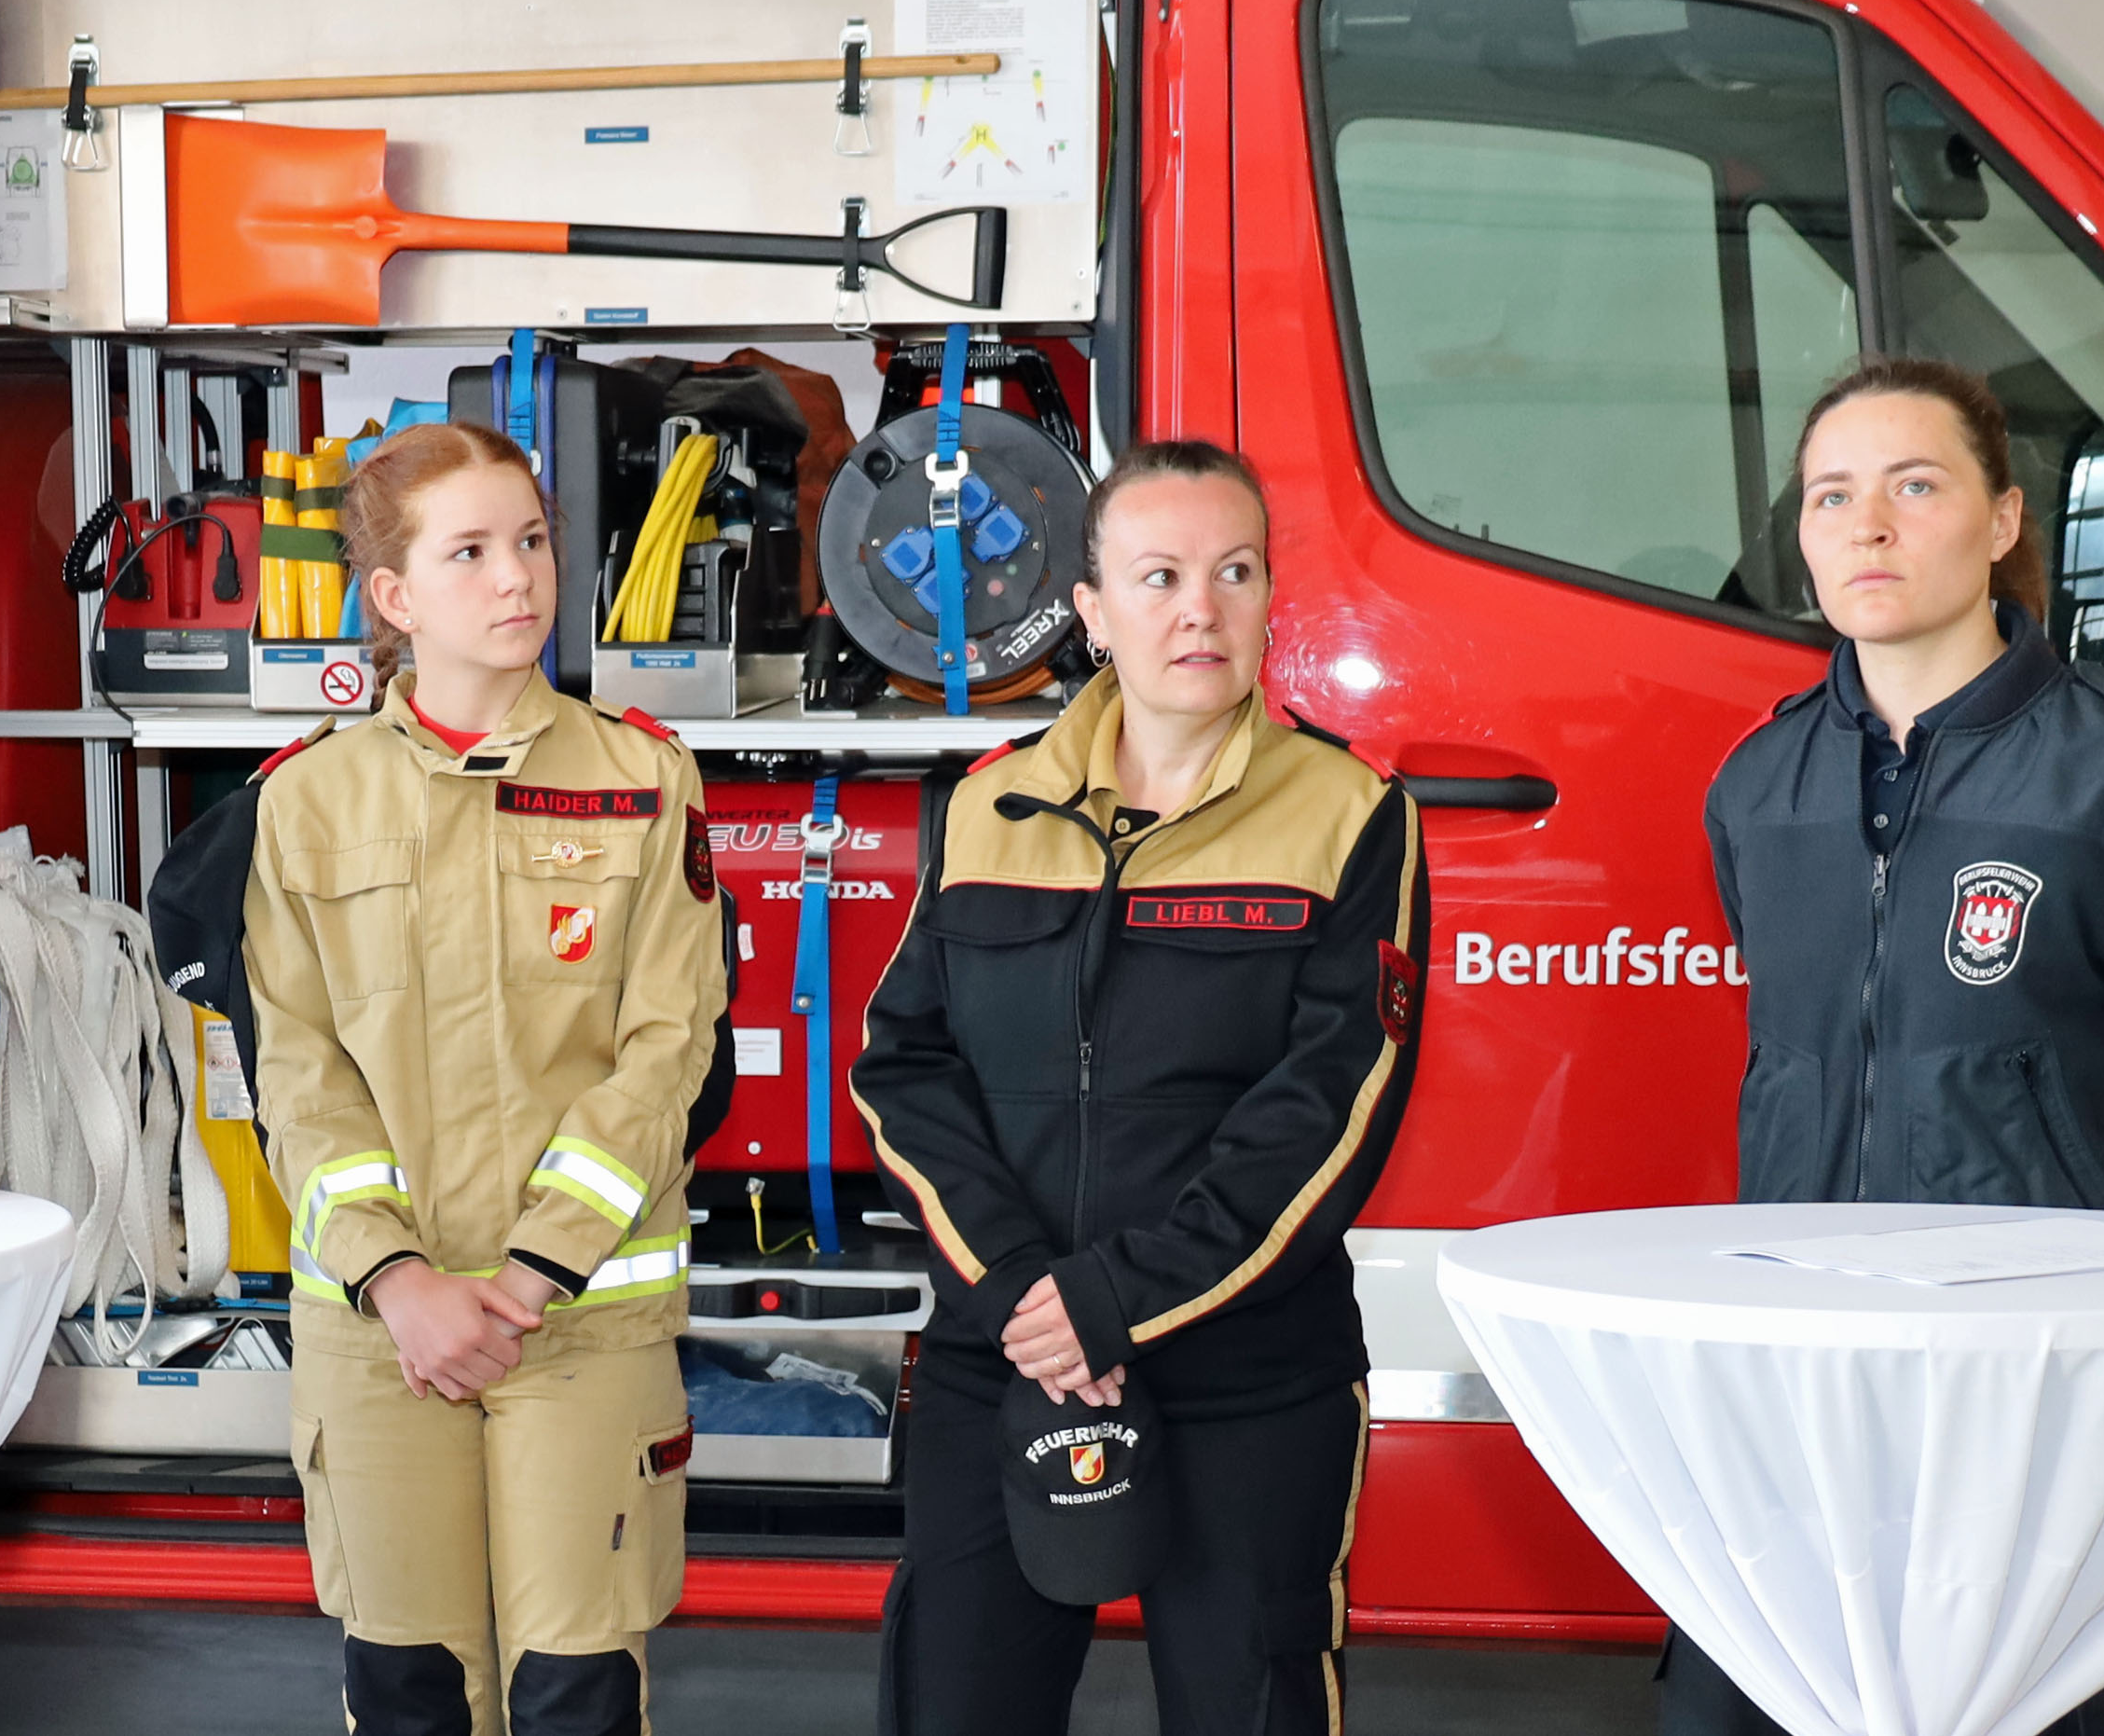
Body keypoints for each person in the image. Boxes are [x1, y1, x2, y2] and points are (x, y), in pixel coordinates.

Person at [1660, 357, 2104, 1736]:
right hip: (1799, 1385)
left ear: (2002, 521)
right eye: (1832, 494)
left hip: (2037, 1406)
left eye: (1913, 485)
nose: (1867, 525)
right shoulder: (1758, 785)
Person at [854, 439, 1427, 1736]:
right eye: (1159, 575)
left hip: (1246, 1373)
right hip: (1001, 1358)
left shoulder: (1350, 816)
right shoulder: (986, 808)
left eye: (1234, 570)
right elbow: (904, 1068)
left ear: (1272, 594)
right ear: (1095, 610)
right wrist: (1023, 1300)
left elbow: (1331, 1111)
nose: (1200, 608)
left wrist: (1111, 1300)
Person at [241, 420, 726, 1736]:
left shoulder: (640, 778)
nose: (517, 576)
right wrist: (397, 1280)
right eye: (470, 551)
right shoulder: (307, 803)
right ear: (393, 597)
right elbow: (298, 1066)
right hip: (381, 1339)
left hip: (575, 1331)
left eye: (530, 539)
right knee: (409, 1694)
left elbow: (665, 1051)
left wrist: (526, 1275)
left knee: (574, 1690)